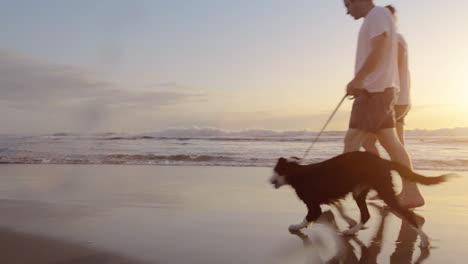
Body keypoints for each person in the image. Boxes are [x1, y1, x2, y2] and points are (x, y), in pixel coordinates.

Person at [342, 0, 424, 208]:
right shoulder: (377, 17)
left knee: (352, 141)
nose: (347, 11)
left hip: (374, 92)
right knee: (391, 144)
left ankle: (338, 193)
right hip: (381, 91)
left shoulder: (377, 15)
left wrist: (359, 79)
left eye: (347, 4)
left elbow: (378, 50)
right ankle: (409, 192)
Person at [361, 5, 419, 207]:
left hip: (393, 99)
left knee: (369, 141)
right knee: (395, 146)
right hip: (399, 99)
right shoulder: (395, 39)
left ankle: (389, 186)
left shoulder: (396, 40)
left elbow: (391, 68)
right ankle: (405, 191)